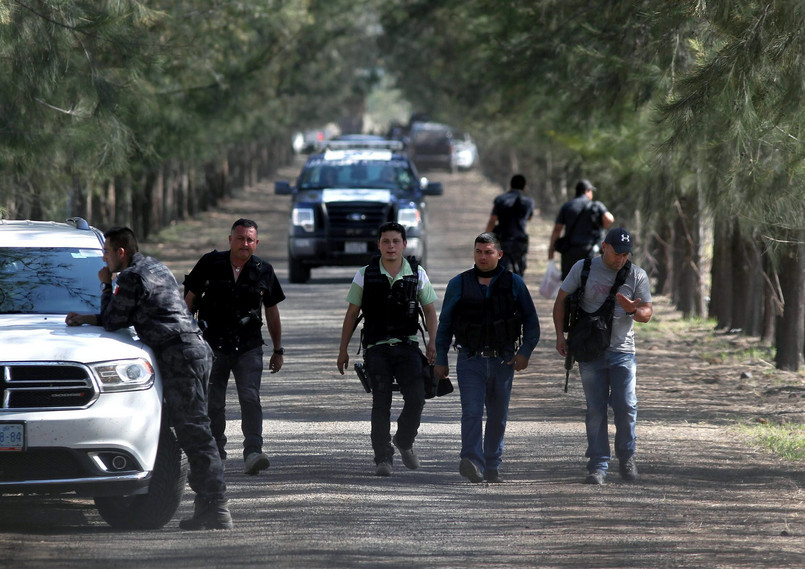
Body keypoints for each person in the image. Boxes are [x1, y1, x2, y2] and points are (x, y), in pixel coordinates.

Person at [66, 227, 231, 530]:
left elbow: (115, 319)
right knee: (194, 429)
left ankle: (217, 506)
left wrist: (106, 285)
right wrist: (88, 317)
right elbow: (127, 314)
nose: (104, 259)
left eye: (106, 253)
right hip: (192, 350)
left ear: (121, 253)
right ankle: (209, 506)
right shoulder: (154, 266)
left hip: (179, 355)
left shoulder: (128, 277)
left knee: (194, 431)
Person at [434, 232, 540, 483]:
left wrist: (524, 352)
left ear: (499, 254)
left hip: (503, 361)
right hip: (470, 360)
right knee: (471, 411)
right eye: (479, 252)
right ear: (474, 253)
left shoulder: (514, 283)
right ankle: (471, 460)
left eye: (488, 252)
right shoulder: (458, 283)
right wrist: (440, 358)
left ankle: (492, 465)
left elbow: (532, 323)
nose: (483, 256)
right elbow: (445, 324)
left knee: (497, 415)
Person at [184, 218, 285, 476]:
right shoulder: (210, 264)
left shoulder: (264, 270)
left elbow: (272, 312)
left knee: (250, 398)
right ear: (230, 240)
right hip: (212, 346)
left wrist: (278, 349)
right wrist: (184, 339)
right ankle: (216, 453)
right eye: (240, 239)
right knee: (212, 402)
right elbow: (188, 301)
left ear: (256, 243)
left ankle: (253, 452)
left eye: (250, 240)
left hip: (248, 346)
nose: (245, 244)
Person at [552, 227, 653, 485]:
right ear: (604, 247)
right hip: (590, 352)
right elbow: (561, 299)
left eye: (626, 254)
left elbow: (647, 313)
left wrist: (633, 310)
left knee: (626, 406)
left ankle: (627, 458)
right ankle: (598, 465)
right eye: (617, 253)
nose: (621, 259)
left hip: (623, 352)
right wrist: (560, 337)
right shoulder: (583, 268)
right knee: (595, 410)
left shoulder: (636, 275)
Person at [337, 222, 438, 477]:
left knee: (417, 396)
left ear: (404, 244)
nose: (391, 246)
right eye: (386, 241)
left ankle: (404, 440)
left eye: (396, 241)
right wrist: (343, 350)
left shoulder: (417, 273)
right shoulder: (365, 274)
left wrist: (433, 345)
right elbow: (351, 314)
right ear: (379, 245)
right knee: (381, 401)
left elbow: (430, 312)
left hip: (407, 346)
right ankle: (383, 457)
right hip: (377, 348)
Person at [548, 179, 615, 279]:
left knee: (569, 284)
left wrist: (551, 251)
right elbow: (609, 218)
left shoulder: (567, 206)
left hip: (569, 252)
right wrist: (602, 225)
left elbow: (557, 229)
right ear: (587, 191)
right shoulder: (596, 205)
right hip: (590, 252)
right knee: (589, 283)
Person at [485, 174, 534, 276]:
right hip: (520, 241)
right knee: (519, 273)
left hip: (503, 240)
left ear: (510, 186)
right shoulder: (529, 202)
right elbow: (529, 217)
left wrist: (485, 239)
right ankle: (517, 290)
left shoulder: (500, 199)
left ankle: (503, 291)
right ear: (524, 188)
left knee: (501, 273)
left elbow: (492, 220)